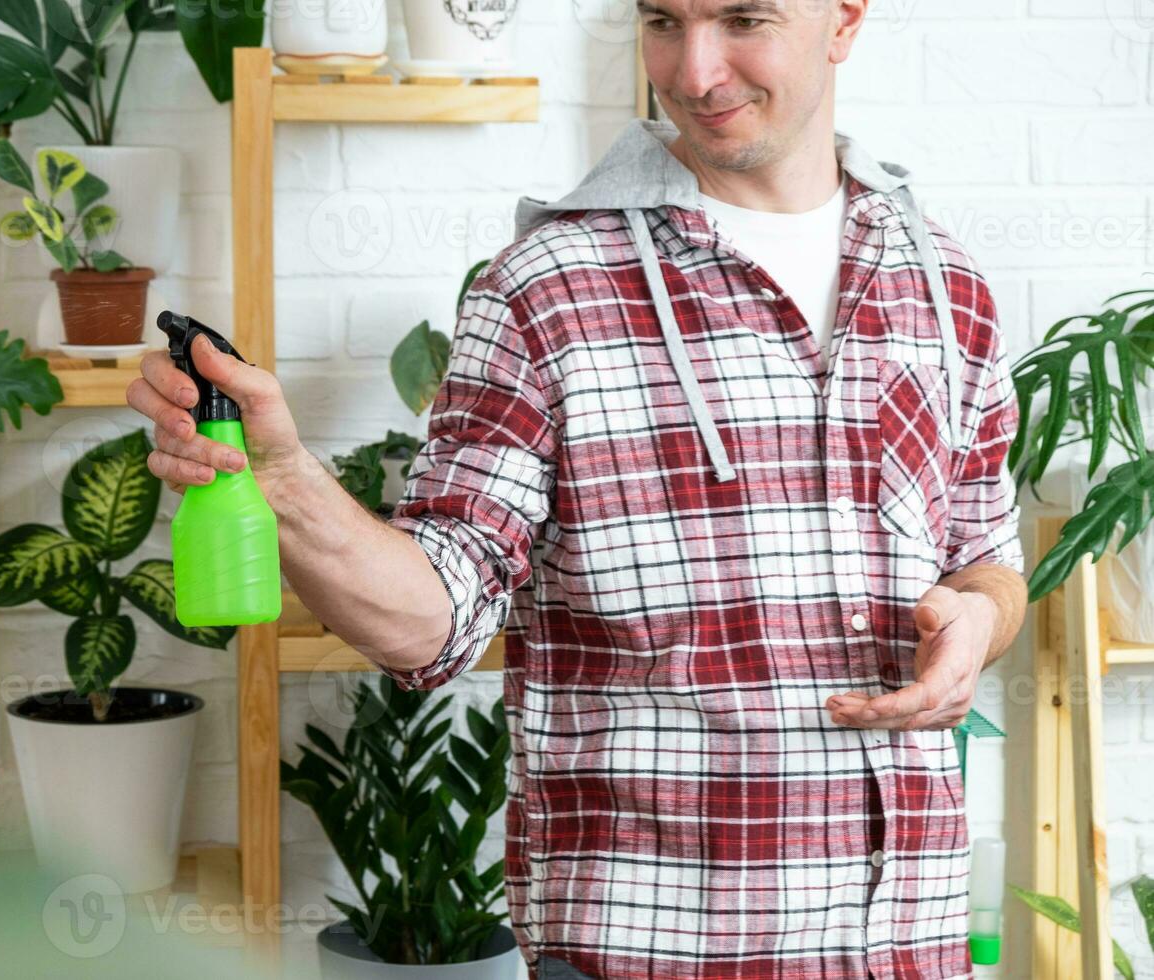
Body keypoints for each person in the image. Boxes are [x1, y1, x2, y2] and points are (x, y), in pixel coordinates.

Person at [126, 1, 1029, 975]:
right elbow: (435, 620)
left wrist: (975, 620)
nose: (695, 72)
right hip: (649, 951)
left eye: (742, 20)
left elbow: (988, 563)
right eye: (663, 22)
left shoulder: (944, 284)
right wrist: (287, 485)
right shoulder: (547, 288)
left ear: (844, 19)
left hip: (905, 943)